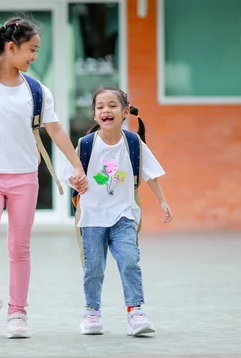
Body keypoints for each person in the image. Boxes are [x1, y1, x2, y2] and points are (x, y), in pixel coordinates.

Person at [0, 16, 88, 339]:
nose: (34, 57)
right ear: (11, 48)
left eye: (37, 51)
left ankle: (17, 311)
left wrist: (76, 165)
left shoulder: (37, 91)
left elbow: (55, 129)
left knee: (19, 246)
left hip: (25, 177)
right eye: (32, 50)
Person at [62, 87, 173, 337]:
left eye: (112, 105)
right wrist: (76, 181)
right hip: (92, 218)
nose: (106, 110)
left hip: (124, 215)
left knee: (130, 261)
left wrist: (163, 202)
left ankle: (136, 312)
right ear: (94, 114)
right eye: (100, 106)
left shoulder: (133, 142)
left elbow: (151, 174)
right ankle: (92, 312)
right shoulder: (86, 144)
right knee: (94, 268)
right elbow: (70, 174)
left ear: (125, 112)